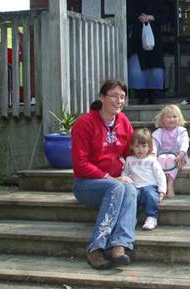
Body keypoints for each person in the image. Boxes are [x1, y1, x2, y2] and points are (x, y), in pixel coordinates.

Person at [72, 79, 136, 270]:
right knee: (118, 186)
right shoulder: (85, 123)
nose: (119, 101)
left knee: (130, 189)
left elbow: (130, 153)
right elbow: (80, 164)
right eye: (114, 96)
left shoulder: (123, 122)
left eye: (122, 97)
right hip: (87, 185)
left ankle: (119, 245)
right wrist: (110, 178)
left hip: (115, 184)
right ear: (101, 98)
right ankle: (96, 248)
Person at [127, 0, 166, 104]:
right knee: (137, 66)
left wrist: (151, 17)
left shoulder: (158, 0)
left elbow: (164, 17)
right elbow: (128, 13)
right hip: (138, 38)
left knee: (155, 67)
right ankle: (141, 95)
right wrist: (139, 16)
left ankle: (153, 95)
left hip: (154, 39)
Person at [122, 128, 167, 231]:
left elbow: (160, 175)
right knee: (131, 196)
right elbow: (125, 172)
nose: (140, 149)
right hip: (135, 186)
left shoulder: (152, 160)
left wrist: (162, 191)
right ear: (131, 146)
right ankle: (132, 218)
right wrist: (124, 178)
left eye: (144, 146)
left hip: (150, 186)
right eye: (137, 146)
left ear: (149, 147)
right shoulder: (129, 160)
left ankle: (152, 217)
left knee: (150, 195)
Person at [151, 104, 190, 198]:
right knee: (161, 158)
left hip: (178, 157)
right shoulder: (158, 133)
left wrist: (181, 154)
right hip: (162, 157)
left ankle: (170, 184)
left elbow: (185, 143)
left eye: (174, 116)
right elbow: (154, 146)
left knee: (171, 158)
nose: (172, 119)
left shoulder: (181, 131)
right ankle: (162, 184)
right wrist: (153, 155)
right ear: (162, 120)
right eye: (168, 117)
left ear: (179, 119)